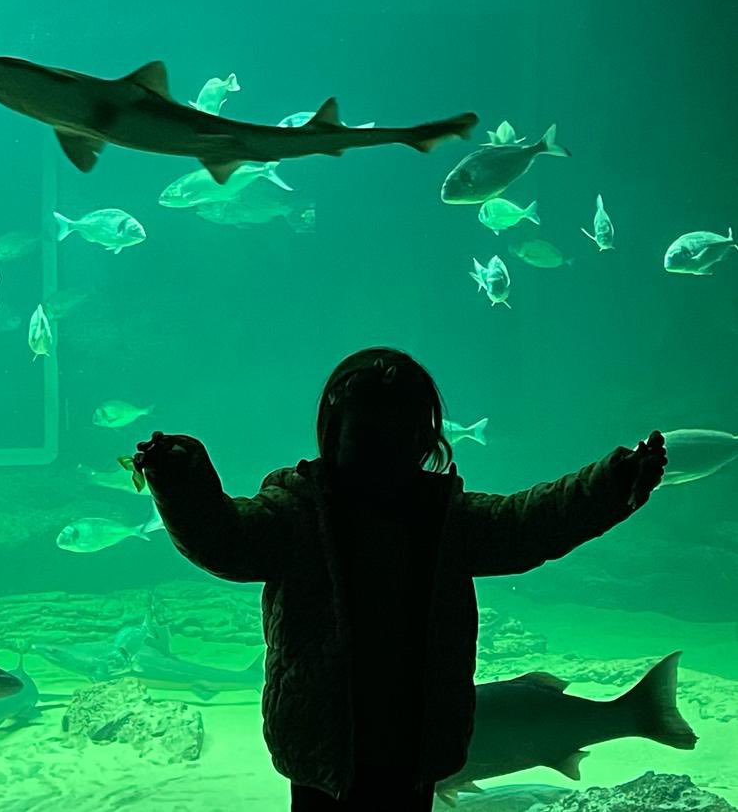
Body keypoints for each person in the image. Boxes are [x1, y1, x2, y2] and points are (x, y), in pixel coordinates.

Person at [134, 347, 667, 811]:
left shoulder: (444, 520)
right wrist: (182, 480)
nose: (379, 448)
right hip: (337, 750)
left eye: (391, 434)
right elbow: (225, 541)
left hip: (402, 749)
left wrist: (611, 484)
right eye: (370, 433)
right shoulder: (297, 516)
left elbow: (530, 525)